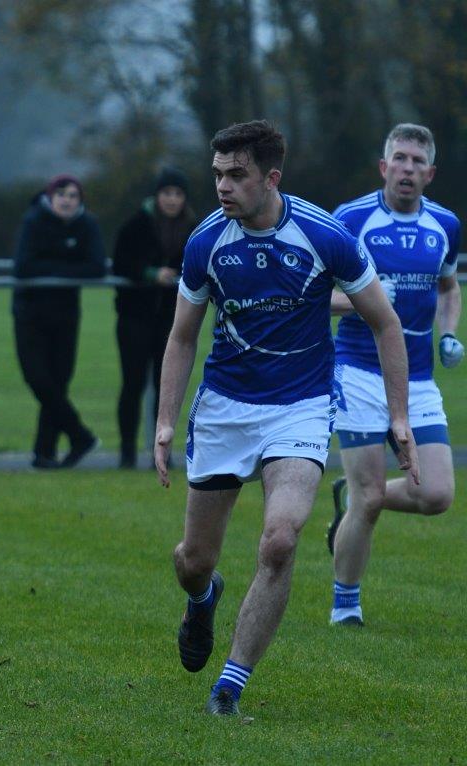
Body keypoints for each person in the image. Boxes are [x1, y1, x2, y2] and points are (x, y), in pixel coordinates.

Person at [154, 119, 417, 718]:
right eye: (217, 174)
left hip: (299, 407)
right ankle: (203, 599)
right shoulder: (206, 242)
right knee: (193, 562)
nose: (222, 186)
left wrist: (398, 417)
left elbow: (385, 322)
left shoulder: (326, 235)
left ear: (271, 178)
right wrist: (167, 421)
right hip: (223, 409)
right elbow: (180, 339)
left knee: (279, 540)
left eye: (236, 175)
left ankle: (229, 687)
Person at [326, 123, 461, 627]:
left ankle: (350, 495)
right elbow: (318, 292)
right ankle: (346, 605)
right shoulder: (351, 219)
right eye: (399, 159)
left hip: (419, 379)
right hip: (359, 372)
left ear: (430, 173)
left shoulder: (445, 224)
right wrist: (366, 302)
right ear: (384, 167)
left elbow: (448, 287)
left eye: (416, 162)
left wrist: (449, 332)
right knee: (371, 499)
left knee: (437, 495)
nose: (407, 169)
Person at [11, 174, 104, 469]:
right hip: (30, 312)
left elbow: (97, 267)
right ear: (50, 197)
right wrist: (67, 268)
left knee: (58, 382)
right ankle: (80, 435)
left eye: (74, 195)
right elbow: (24, 267)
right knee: (37, 378)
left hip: (65, 314)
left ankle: (43, 453)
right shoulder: (34, 220)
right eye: (61, 194)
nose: (67, 199)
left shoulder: (86, 224)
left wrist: (53, 270)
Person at [112, 167, 197, 469]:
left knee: (166, 388)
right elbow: (120, 263)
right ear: (156, 195)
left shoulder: (192, 228)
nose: (172, 200)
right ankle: (126, 452)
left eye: (177, 194)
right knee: (132, 384)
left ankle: (160, 452)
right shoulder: (136, 225)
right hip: (135, 316)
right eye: (166, 193)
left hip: (171, 320)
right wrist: (150, 274)